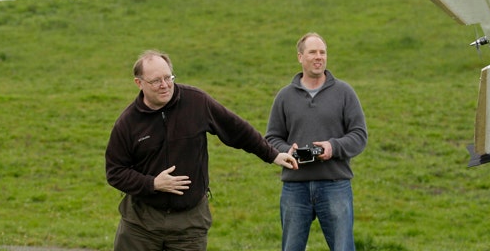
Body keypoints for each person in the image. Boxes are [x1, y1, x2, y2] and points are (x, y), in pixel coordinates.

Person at [105, 50, 298, 251]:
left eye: (168, 77)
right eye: (155, 81)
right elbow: (115, 172)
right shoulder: (127, 123)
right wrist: (152, 183)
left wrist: (273, 154)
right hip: (141, 224)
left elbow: (237, 129)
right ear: (139, 83)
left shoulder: (196, 102)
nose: (164, 85)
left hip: (189, 223)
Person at [265, 32, 368, 251]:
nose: (319, 57)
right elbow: (272, 138)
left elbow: (359, 135)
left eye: (323, 52)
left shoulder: (344, 93)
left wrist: (333, 147)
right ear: (300, 57)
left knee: (343, 247)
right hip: (295, 186)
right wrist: (287, 150)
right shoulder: (285, 96)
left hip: (335, 184)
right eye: (312, 52)